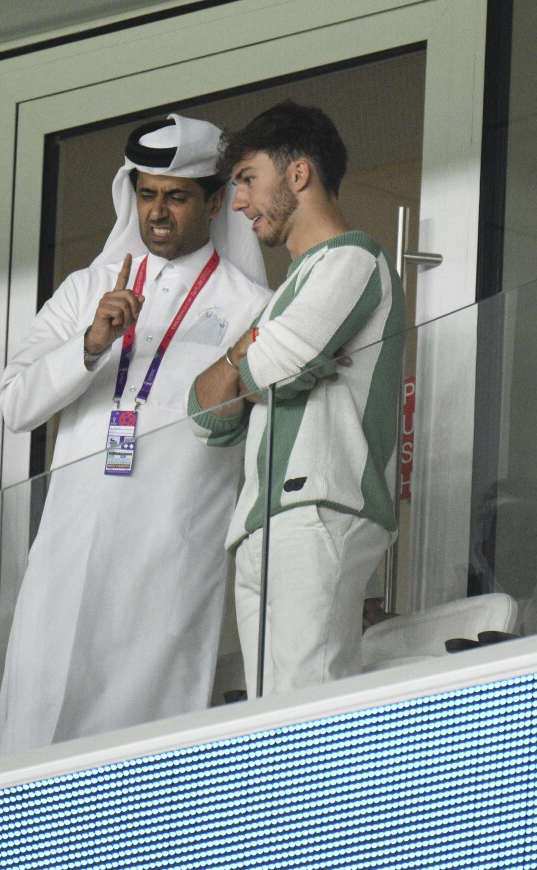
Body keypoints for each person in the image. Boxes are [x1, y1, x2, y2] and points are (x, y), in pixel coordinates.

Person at [0, 113, 271, 756]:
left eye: (176, 196)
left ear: (215, 201)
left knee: (141, 751)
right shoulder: (88, 288)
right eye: (146, 195)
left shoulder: (249, 305)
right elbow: (15, 406)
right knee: (35, 732)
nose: (158, 213)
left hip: (168, 559)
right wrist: (89, 344)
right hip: (67, 552)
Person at [187, 100, 406, 698]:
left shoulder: (354, 258)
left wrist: (250, 363)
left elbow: (270, 371)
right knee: (268, 720)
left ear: (299, 174)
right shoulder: (284, 293)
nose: (238, 203)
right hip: (264, 521)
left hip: (319, 508)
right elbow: (204, 415)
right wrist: (246, 357)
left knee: (309, 712)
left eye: (247, 180)